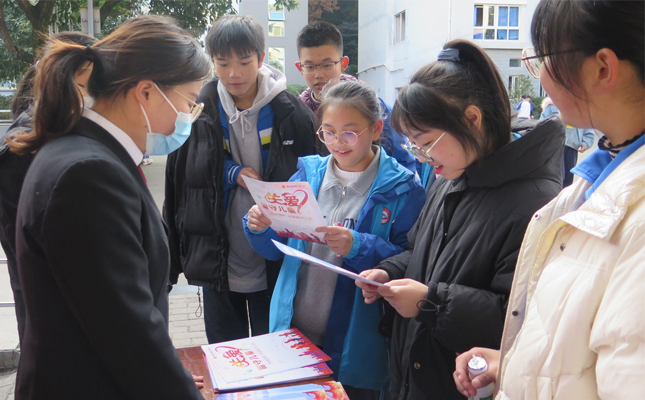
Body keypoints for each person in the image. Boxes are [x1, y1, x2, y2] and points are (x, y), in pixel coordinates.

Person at [11, 16, 209, 399]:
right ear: (147, 92)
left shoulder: (89, 154)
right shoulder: (89, 173)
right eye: (189, 102)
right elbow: (127, 330)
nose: (189, 117)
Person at [454, 1, 645, 398]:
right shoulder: (596, 178)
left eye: (543, 59)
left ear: (602, 69)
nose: (539, 74)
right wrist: (517, 365)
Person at [355, 39, 564, 400]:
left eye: (427, 143)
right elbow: (422, 253)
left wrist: (431, 303)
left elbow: (520, 318)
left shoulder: (535, 201)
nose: (421, 157)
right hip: (417, 374)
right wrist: (390, 271)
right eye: (412, 146)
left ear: (472, 119)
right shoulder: (452, 174)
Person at [244, 80, 426, 399]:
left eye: (349, 132)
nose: (337, 142)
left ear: (376, 128)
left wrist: (358, 244)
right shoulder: (307, 175)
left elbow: (413, 259)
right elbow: (276, 252)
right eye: (328, 132)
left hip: (358, 344)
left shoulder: (403, 189)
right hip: (294, 333)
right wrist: (259, 226)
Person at [163, 15, 318, 344]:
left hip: (274, 257)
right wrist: (233, 173)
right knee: (225, 354)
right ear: (212, 63)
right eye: (222, 62)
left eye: (244, 61)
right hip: (218, 255)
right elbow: (182, 181)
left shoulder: (291, 113)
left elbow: (315, 180)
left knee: (273, 350)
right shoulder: (197, 111)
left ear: (261, 59)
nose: (234, 73)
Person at [0, 31, 96, 347]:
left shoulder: (69, 136)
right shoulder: (20, 152)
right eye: (85, 87)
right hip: (56, 331)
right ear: (56, 81)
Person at [295, 21, 419, 175]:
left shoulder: (374, 108)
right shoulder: (295, 114)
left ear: (343, 63)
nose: (318, 74)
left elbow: (404, 164)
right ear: (300, 68)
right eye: (310, 66)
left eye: (327, 65)